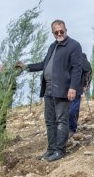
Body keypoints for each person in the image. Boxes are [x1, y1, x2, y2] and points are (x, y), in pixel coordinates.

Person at [22, 19, 83, 162]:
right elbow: (44, 64)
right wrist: (26, 67)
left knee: (62, 120)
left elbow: (77, 68)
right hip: (48, 88)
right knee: (50, 121)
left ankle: (60, 151)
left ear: (66, 30)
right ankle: (50, 150)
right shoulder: (52, 47)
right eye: (56, 32)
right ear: (53, 32)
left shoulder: (74, 46)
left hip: (63, 89)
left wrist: (73, 87)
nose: (59, 33)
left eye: (62, 31)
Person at [68, 52, 92, 136]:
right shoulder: (70, 60)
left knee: (73, 110)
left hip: (77, 88)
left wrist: (85, 85)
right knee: (69, 110)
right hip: (67, 88)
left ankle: (72, 127)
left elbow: (88, 72)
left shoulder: (83, 61)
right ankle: (69, 127)